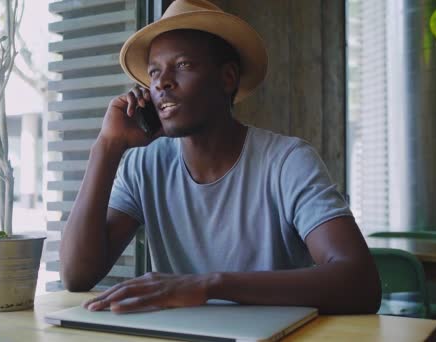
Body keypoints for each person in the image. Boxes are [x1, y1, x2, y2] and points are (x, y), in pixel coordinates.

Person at [60, 0, 381, 315]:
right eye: (154, 71)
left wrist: (208, 286)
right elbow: (77, 275)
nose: (161, 82)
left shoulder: (287, 161)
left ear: (227, 78)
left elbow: (360, 282)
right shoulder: (143, 165)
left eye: (183, 65)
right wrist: (107, 146)